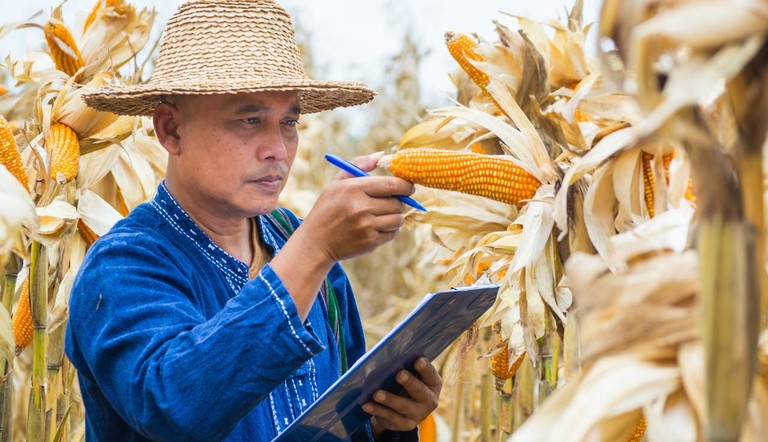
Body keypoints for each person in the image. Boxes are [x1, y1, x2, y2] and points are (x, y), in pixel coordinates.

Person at [65, 0, 442, 440]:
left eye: (288, 122)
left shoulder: (301, 246)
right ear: (170, 130)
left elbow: (345, 420)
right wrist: (316, 248)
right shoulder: (123, 266)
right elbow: (174, 407)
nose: (278, 150)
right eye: (249, 119)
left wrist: (389, 421)